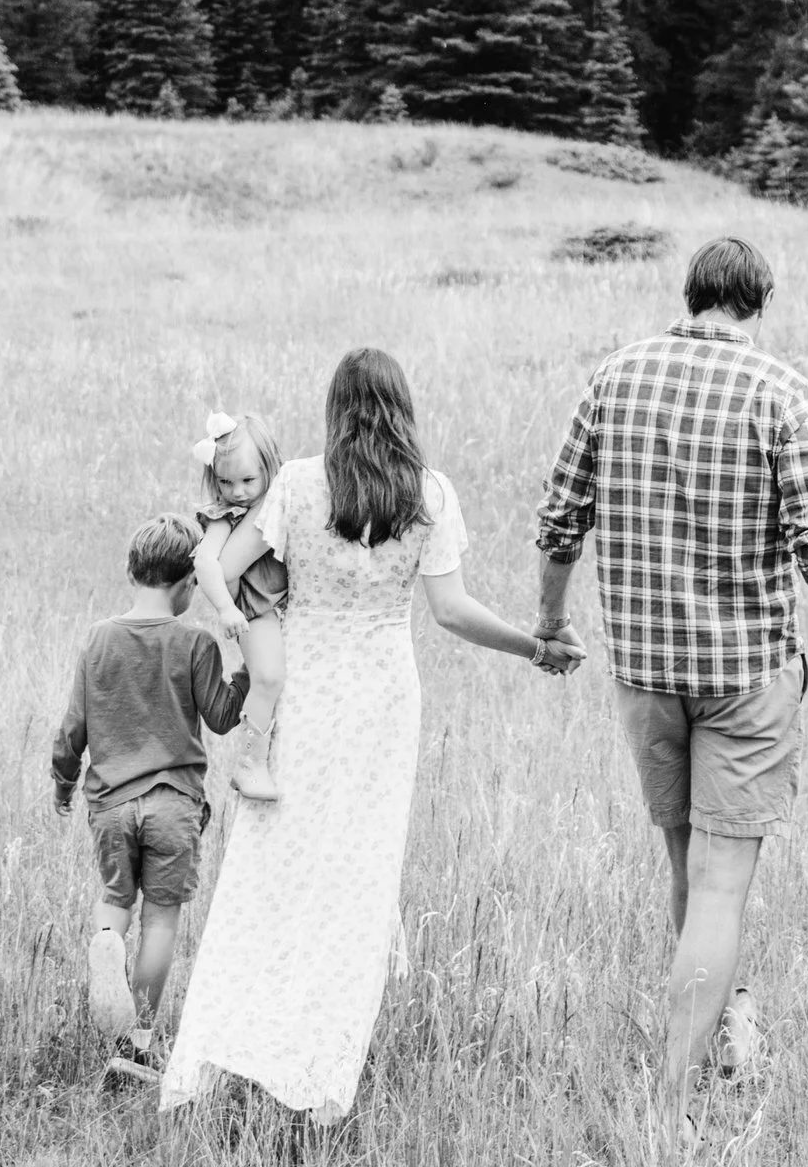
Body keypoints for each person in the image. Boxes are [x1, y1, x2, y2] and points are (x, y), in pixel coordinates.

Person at [161, 348, 583, 1120]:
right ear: (402, 410)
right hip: (383, 701)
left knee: (271, 869)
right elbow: (452, 612)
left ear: (337, 412)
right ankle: (318, 1080)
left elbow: (226, 563)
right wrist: (533, 645)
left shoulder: (297, 483)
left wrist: (238, 614)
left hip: (306, 690)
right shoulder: (428, 495)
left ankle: (239, 1044)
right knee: (355, 881)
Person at [535, 234, 808, 1144]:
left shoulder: (614, 377)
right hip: (744, 676)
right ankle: (671, 1104)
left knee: (685, 866)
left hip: (647, 672)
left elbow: (562, 520)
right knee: (720, 888)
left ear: (689, 292)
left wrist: (550, 620)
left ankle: (729, 1025)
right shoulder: (782, 393)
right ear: (760, 302)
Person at [51, 513, 251, 1075]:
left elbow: (73, 728)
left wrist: (64, 782)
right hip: (174, 805)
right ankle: (137, 1042)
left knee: (117, 898)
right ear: (190, 582)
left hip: (111, 804)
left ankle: (107, 942)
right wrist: (246, 669)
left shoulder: (99, 638)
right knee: (161, 920)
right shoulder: (194, 642)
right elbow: (222, 718)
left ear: (131, 570)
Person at [188, 410, 288, 802]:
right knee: (268, 678)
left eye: (248, 480)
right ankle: (250, 764)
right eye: (225, 482)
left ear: (269, 469)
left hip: (278, 608)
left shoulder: (276, 504)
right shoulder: (225, 516)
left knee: (275, 678)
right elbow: (205, 563)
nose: (238, 492)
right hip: (252, 609)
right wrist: (226, 609)